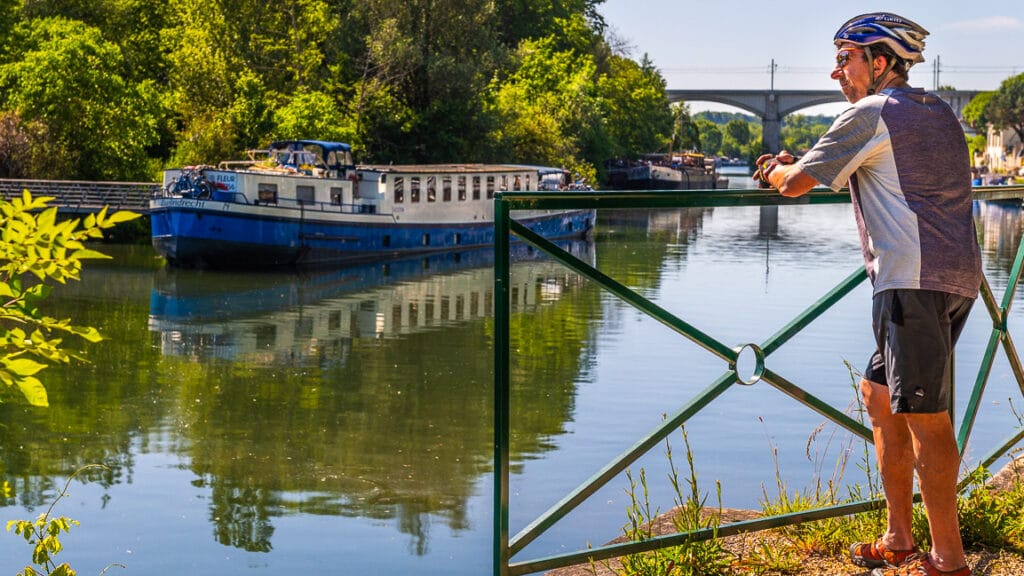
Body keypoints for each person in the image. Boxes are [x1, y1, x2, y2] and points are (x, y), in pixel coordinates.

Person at [754, 12, 982, 576]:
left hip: (911, 280)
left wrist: (775, 170)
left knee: (927, 419)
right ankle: (899, 537)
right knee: (879, 397)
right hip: (957, 276)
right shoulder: (938, 112)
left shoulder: (871, 112)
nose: (836, 73)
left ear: (879, 63)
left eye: (845, 59)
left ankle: (949, 561)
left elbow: (795, 186)